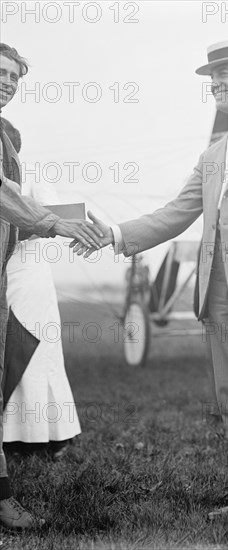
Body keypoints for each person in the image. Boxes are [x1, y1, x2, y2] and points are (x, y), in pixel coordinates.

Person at [75, 38, 228, 541]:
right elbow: (174, 213)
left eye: (226, 73)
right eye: (212, 76)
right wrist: (116, 235)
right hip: (215, 296)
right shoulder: (212, 154)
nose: (216, 82)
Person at [0, 43, 103, 530]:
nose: (8, 82)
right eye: (1, 72)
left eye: (15, 77)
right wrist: (54, 226)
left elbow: (29, 204)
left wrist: (85, 222)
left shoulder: (11, 149)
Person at [2, 118, 81, 456]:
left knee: (34, 348)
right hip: (4, 269)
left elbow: (56, 216)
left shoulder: (32, 174)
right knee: (5, 347)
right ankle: (9, 434)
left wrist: (21, 224)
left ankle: (48, 435)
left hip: (28, 270)